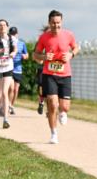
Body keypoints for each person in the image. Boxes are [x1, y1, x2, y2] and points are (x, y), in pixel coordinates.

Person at [33, 10, 79, 144]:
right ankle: (53, 133)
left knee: (65, 107)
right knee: (53, 104)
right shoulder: (43, 38)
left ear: (61, 22)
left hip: (65, 75)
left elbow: (76, 48)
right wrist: (44, 57)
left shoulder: (69, 35)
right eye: (53, 23)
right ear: (49, 23)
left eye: (58, 23)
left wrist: (71, 55)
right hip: (49, 74)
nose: (56, 25)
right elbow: (35, 55)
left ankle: (63, 112)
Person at [7, 26, 29, 115]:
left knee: (16, 89)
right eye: (11, 34)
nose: (13, 35)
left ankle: (11, 105)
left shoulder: (21, 43)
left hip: (18, 69)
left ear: (17, 34)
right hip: (8, 68)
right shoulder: (7, 43)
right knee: (11, 88)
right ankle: (7, 105)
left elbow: (27, 55)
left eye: (14, 34)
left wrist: (25, 56)